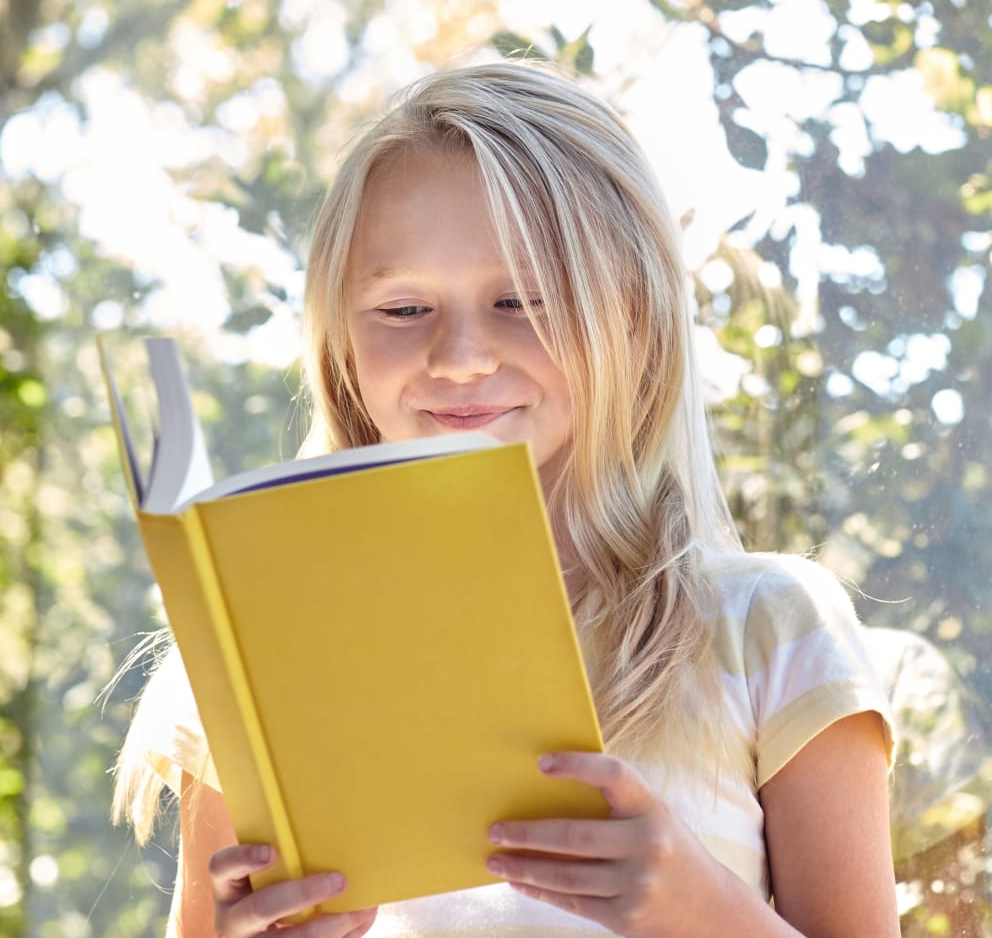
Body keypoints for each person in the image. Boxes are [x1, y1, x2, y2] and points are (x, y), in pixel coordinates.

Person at [113, 61, 899, 938]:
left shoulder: (770, 628)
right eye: (404, 308)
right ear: (340, 343)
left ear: (633, 317)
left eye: (522, 299)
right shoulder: (256, 660)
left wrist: (699, 910)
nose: (459, 357)